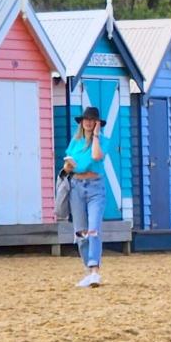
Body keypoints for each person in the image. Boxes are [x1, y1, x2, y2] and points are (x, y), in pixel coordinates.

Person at [63, 106, 110, 287]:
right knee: (81, 231)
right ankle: (87, 271)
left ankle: (94, 270)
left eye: (92, 120)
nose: (88, 122)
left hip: (95, 186)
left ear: (97, 123)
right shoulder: (75, 141)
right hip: (76, 186)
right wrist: (68, 167)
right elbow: (68, 164)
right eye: (86, 119)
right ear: (82, 122)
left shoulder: (102, 140)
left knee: (94, 229)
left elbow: (97, 156)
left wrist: (96, 135)